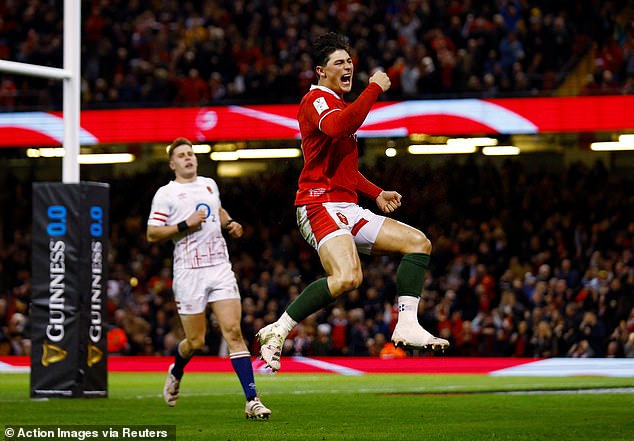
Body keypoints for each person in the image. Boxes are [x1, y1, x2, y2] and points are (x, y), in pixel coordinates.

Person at [257, 32, 449, 371]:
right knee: (347, 277)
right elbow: (337, 127)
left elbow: (344, 170)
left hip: (346, 205)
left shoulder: (339, 103)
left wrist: (376, 193)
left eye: (349, 61)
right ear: (320, 70)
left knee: (419, 243)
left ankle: (406, 324)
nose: (348, 67)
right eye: (339, 63)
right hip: (318, 204)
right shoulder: (316, 100)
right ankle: (278, 329)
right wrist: (373, 88)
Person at [146, 137, 271, 419]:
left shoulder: (209, 184)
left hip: (219, 267)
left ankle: (252, 400)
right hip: (188, 272)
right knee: (196, 342)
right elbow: (152, 233)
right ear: (172, 163)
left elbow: (218, 209)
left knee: (234, 333)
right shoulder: (166, 194)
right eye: (182, 155)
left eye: (191, 153)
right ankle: (176, 370)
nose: (188, 158)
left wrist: (229, 223)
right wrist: (183, 224)